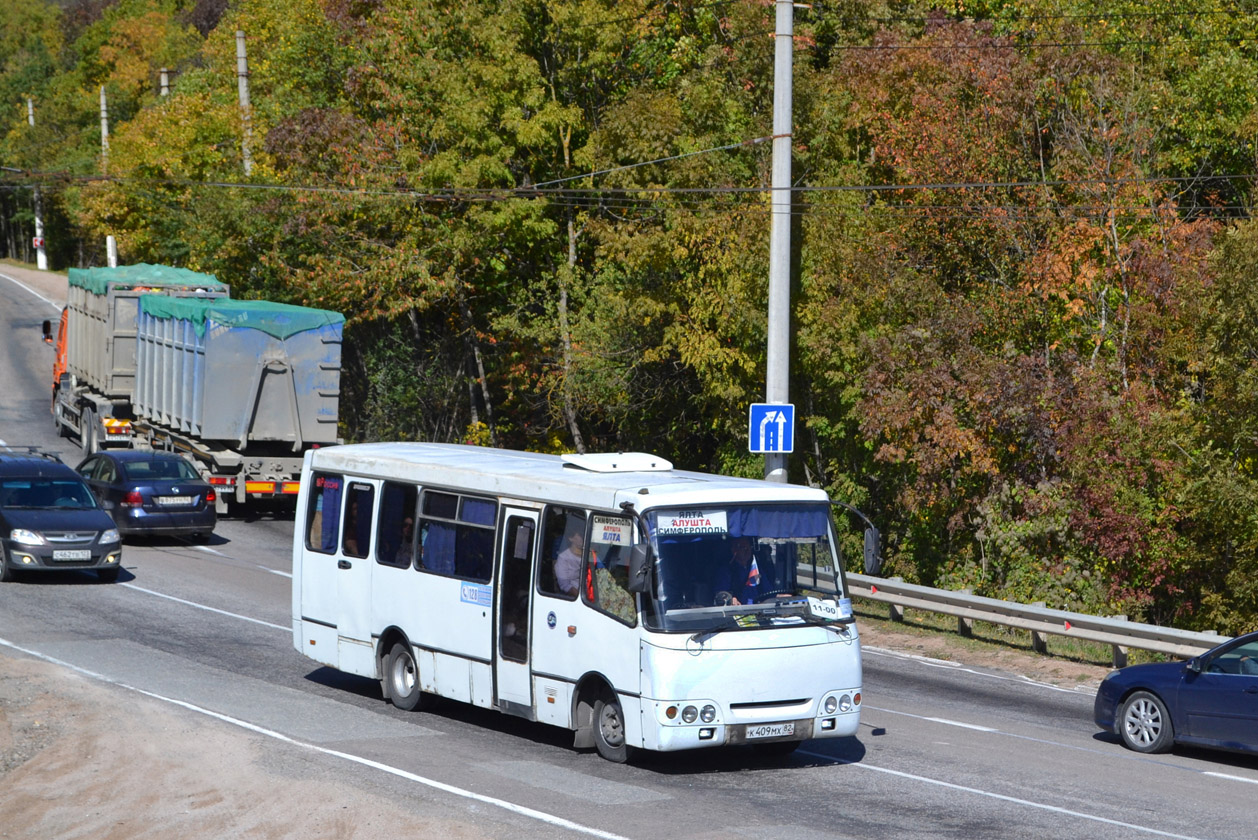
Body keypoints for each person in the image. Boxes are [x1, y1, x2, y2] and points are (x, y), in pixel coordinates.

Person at [713, 536, 761, 606]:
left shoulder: (757, 568)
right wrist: (730, 599)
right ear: (734, 550)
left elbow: (768, 591)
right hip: (738, 611)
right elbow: (721, 594)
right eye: (743, 547)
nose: (747, 550)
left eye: (748, 547)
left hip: (759, 609)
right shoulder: (726, 571)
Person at [554, 531, 584, 597]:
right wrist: (581, 597)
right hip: (573, 596)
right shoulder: (563, 557)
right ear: (571, 538)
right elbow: (565, 585)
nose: (582, 538)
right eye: (579, 536)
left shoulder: (589, 555)